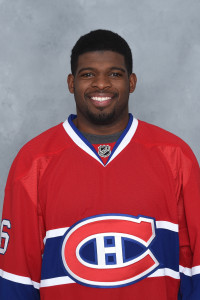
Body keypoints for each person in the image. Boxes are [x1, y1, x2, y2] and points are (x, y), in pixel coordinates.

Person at [0, 29, 200, 300]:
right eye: (88, 74)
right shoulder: (33, 161)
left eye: (114, 74)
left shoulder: (175, 155)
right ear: (71, 82)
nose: (101, 84)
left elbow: (194, 263)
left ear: (132, 82)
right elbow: (17, 277)